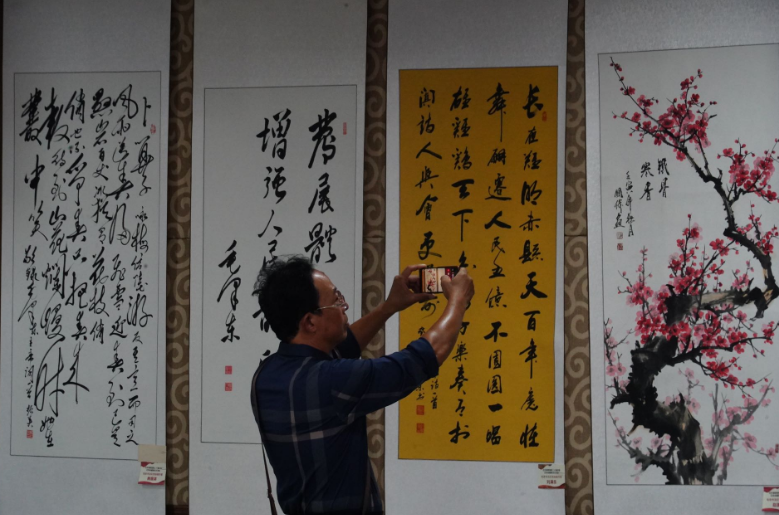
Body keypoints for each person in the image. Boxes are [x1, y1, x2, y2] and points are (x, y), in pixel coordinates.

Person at [250, 256, 474, 515]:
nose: (343, 306)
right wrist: (458, 301)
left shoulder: (266, 375)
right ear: (310, 322)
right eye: (336, 300)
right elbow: (420, 358)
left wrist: (389, 306)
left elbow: (346, 347)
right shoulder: (332, 381)